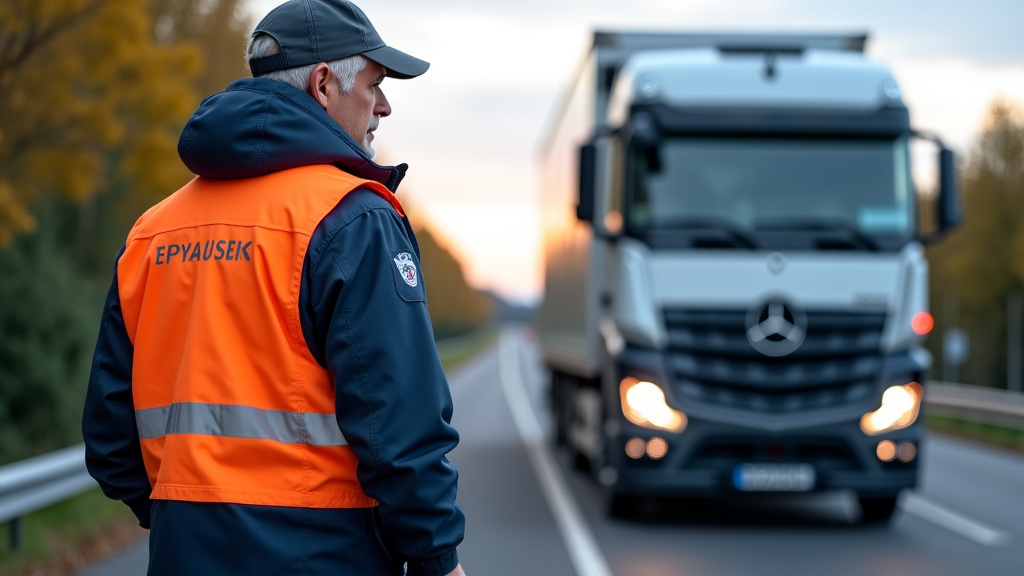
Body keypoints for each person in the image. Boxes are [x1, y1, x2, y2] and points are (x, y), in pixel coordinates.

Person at [81, 1, 466, 574]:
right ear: (322, 85)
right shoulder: (353, 219)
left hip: (183, 551)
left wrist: (189, 520)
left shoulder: (153, 230)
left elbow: (112, 441)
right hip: (325, 553)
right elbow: (398, 422)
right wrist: (438, 559)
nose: (383, 105)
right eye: (375, 83)